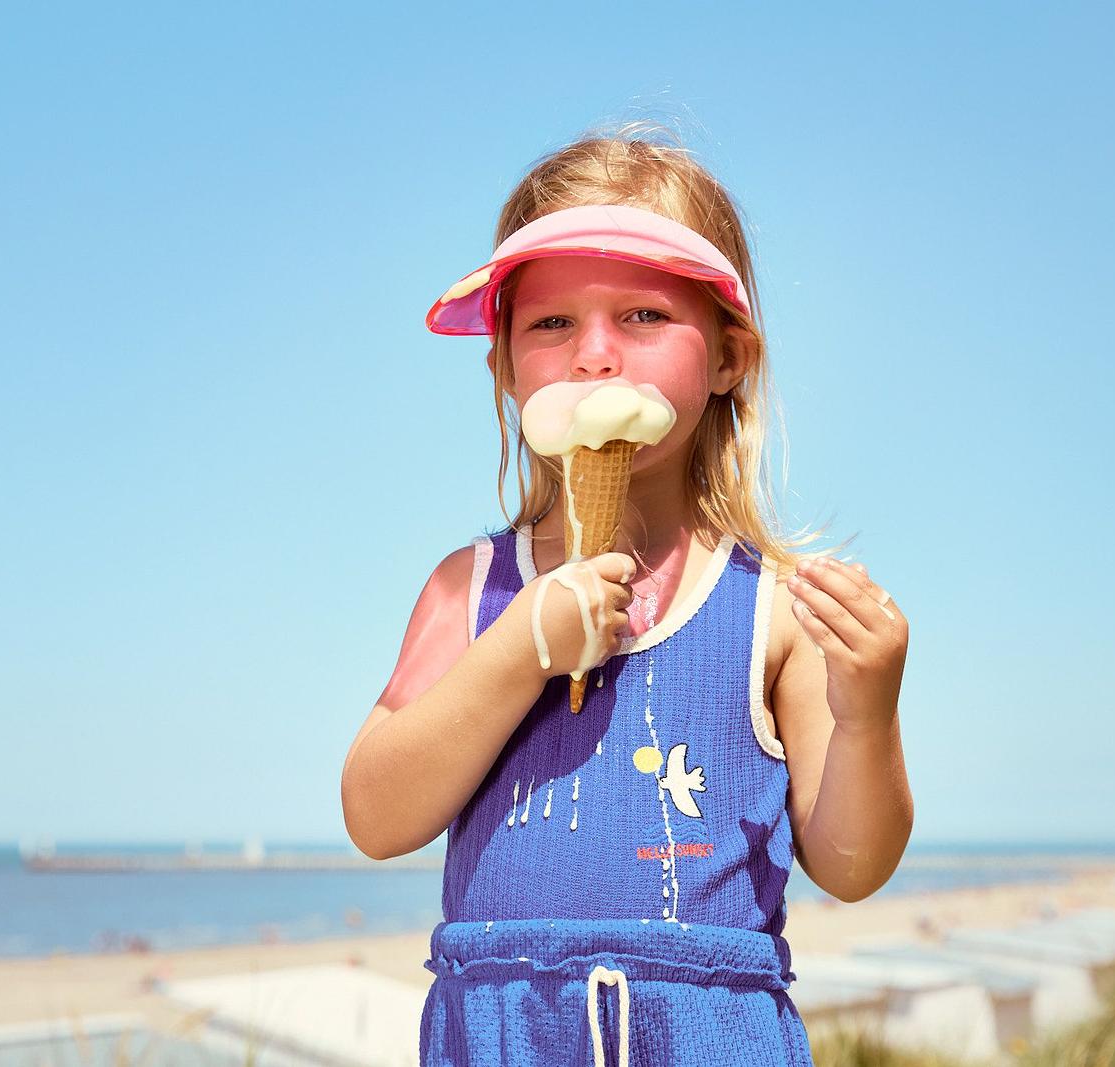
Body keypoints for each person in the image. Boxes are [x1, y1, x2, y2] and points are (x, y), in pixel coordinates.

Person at [341, 128, 914, 1067]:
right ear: (504, 367)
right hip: (503, 1036)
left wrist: (868, 712)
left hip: (708, 1036)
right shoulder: (470, 588)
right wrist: (521, 647)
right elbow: (375, 813)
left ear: (729, 357)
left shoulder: (774, 612)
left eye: (644, 316)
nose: (594, 356)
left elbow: (853, 865)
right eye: (551, 324)